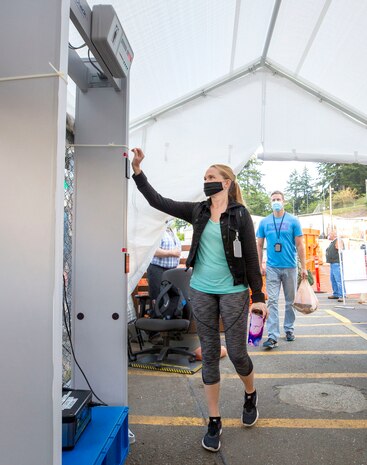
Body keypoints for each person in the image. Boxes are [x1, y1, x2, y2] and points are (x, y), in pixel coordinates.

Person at [131, 147, 268, 453]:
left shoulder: (240, 215)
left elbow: (250, 256)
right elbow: (158, 201)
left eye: (211, 177)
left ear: (227, 183)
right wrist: (138, 172)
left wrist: (258, 296)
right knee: (208, 353)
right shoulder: (198, 211)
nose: (206, 181)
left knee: (236, 353)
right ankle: (214, 421)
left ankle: (250, 394)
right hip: (202, 290)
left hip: (234, 291)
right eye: (204, 177)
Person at [256, 191, 307, 350]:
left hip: (290, 267)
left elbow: (300, 245)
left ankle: (289, 329)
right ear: (270, 202)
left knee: (290, 301)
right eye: (273, 200)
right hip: (272, 267)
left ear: (284, 201)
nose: (276, 202)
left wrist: (304, 267)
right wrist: (259, 264)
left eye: (278, 199)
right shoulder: (265, 222)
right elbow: (259, 244)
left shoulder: (293, 221)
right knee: (271, 301)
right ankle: (272, 336)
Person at [146, 223, 182, 344]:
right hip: (157, 269)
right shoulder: (157, 229)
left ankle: (168, 327)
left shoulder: (171, 230)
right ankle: (153, 333)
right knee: (158, 299)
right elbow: (153, 250)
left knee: (175, 297)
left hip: (171, 270)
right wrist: (171, 253)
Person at [325, 231, 344, 302]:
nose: (328, 235)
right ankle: (336, 294)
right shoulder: (332, 242)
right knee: (333, 279)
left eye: (329, 234)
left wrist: (338, 245)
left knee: (338, 279)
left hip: (337, 263)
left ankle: (342, 295)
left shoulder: (338, 240)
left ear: (334, 235)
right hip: (333, 263)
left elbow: (340, 248)